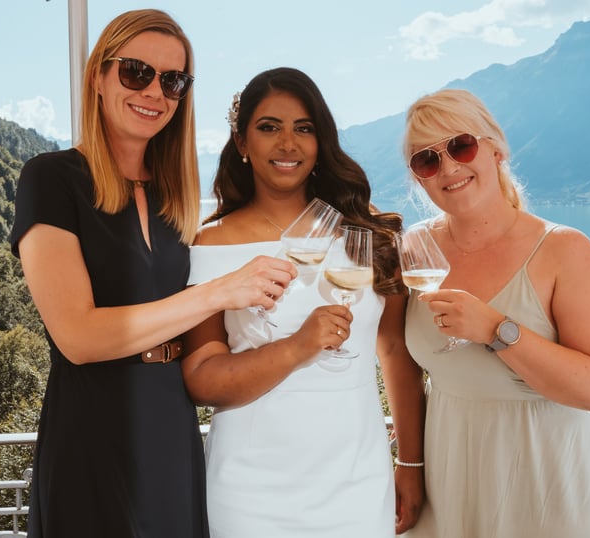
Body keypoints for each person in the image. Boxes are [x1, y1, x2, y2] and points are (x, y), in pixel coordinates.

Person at [9, 10, 296, 538]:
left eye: (173, 81)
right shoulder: (50, 179)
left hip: (171, 422)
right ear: (98, 76)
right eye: (136, 71)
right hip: (91, 428)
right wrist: (220, 292)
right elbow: (77, 337)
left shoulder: (175, 199)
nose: (154, 92)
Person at [182, 67, 425, 537]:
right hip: (250, 488)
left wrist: (411, 462)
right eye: (269, 127)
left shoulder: (367, 232)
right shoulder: (211, 244)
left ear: (321, 141)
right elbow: (201, 380)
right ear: (242, 142)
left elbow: (395, 350)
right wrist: (298, 346)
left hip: (358, 477)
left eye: (304, 128)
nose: (288, 143)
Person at [398, 88, 590, 537]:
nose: (448, 168)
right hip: (451, 481)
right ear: (418, 179)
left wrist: (495, 328)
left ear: (497, 150)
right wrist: (408, 464)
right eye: (426, 160)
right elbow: (398, 360)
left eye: (461, 146)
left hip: (552, 484)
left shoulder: (565, 249)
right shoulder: (416, 248)